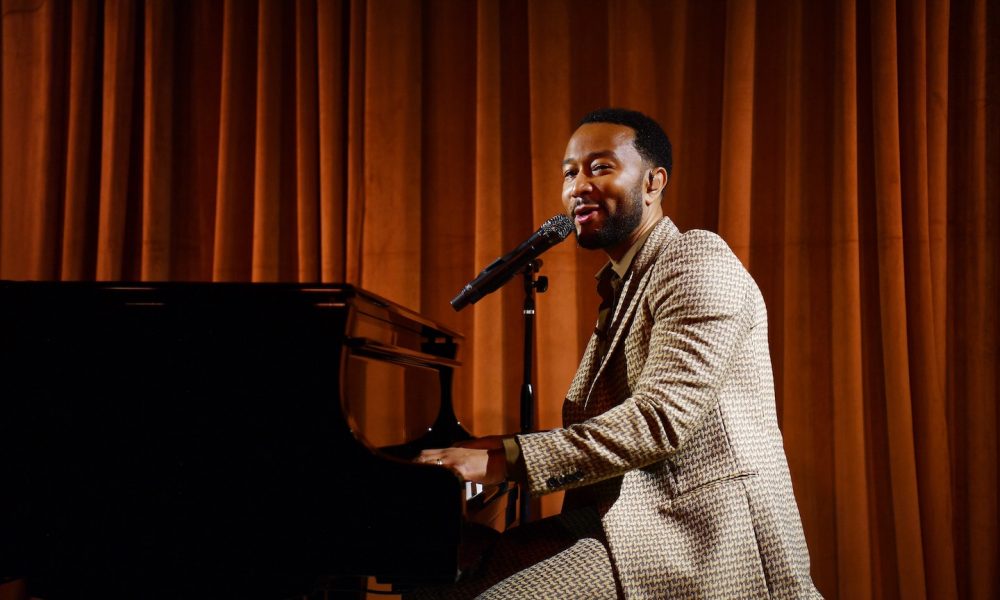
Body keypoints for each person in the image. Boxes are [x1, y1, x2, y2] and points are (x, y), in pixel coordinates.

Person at [416, 108, 820, 598]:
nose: (577, 186)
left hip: (698, 535)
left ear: (653, 182)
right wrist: (494, 446)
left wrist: (507, 459)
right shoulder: (622, 286)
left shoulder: (695, 259)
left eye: (600, 167)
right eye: (569, 172)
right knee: (447, 581)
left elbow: (658, 421)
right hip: (621, 520)